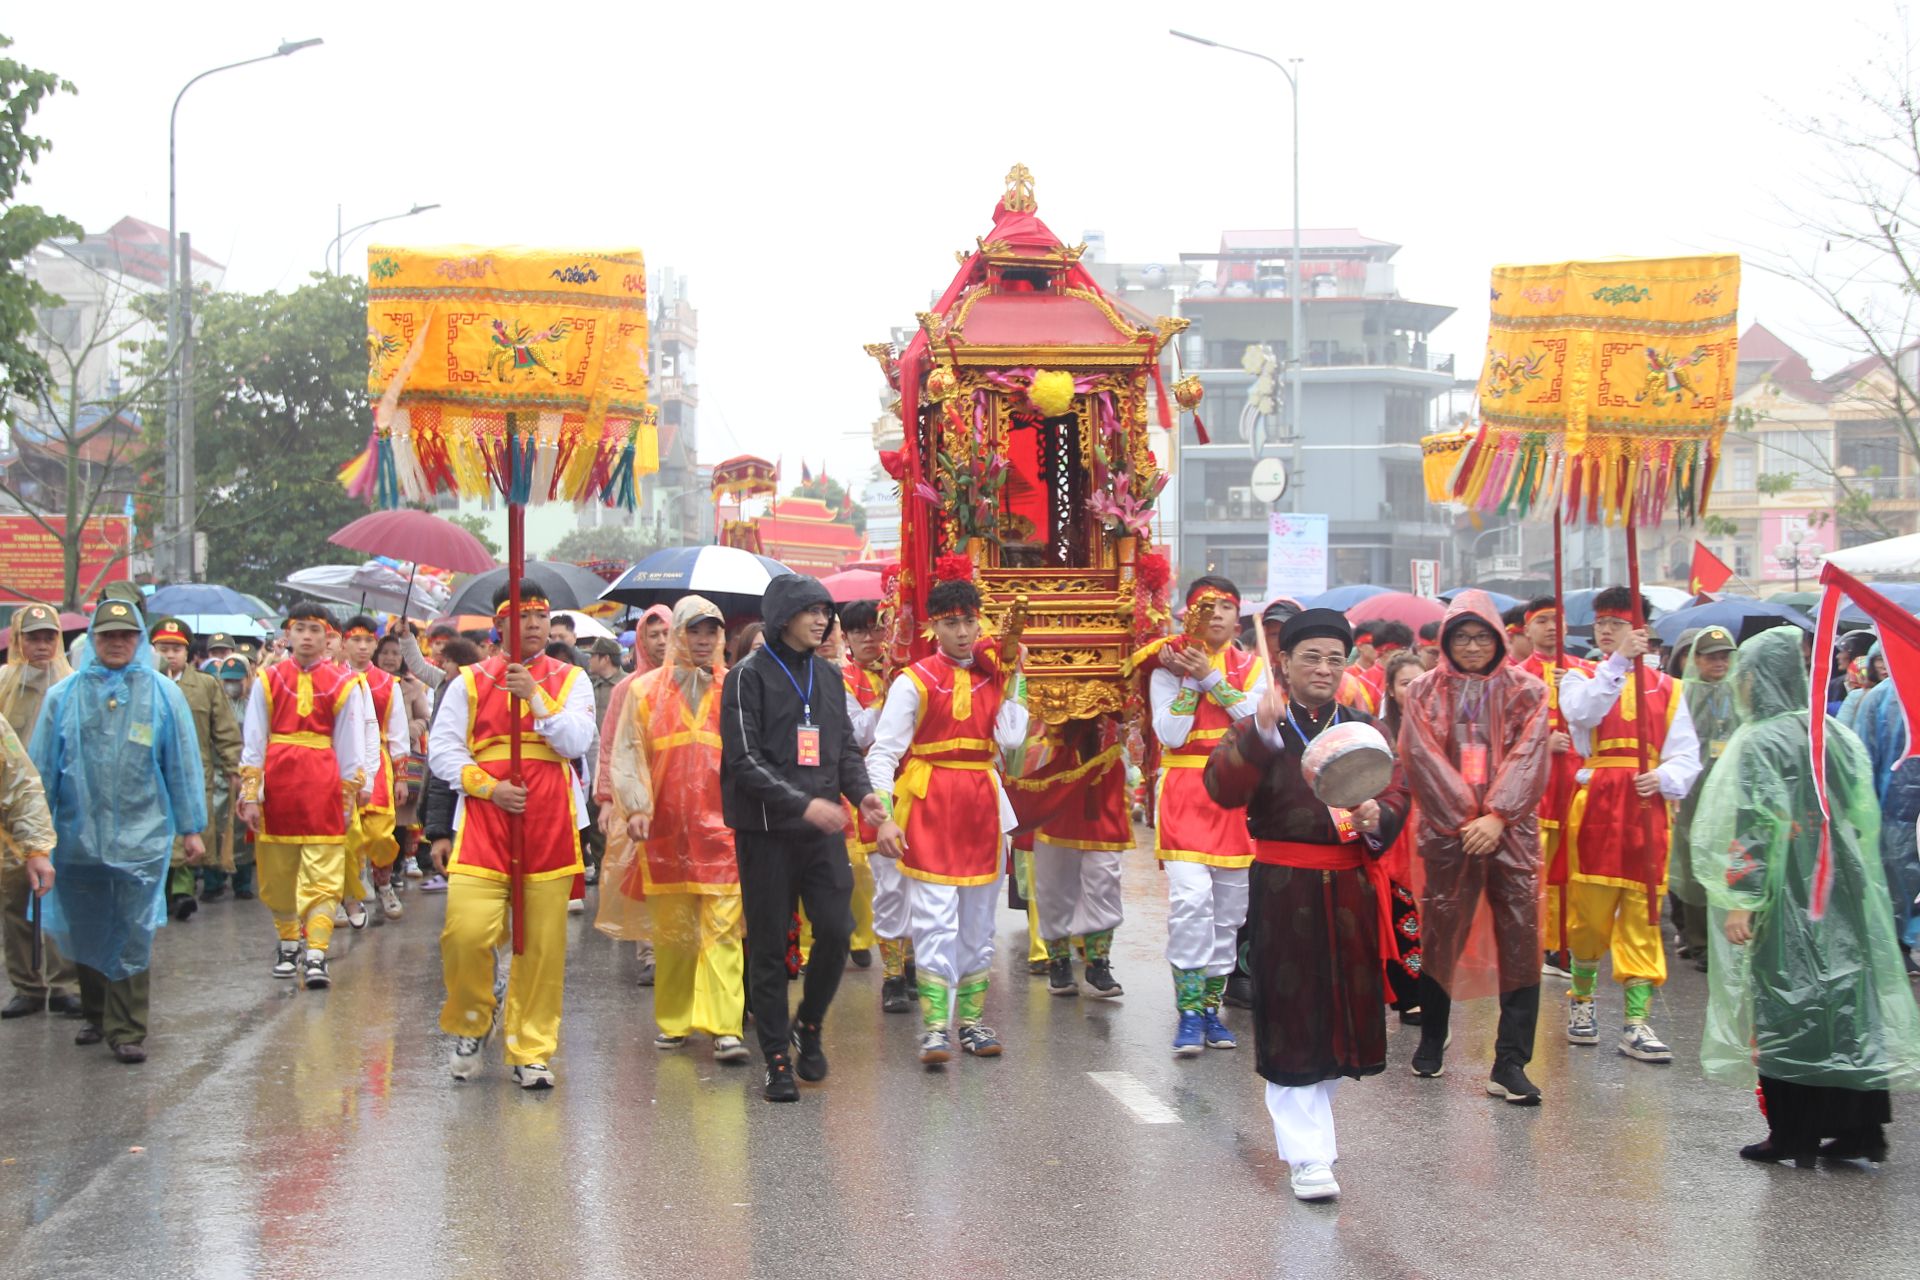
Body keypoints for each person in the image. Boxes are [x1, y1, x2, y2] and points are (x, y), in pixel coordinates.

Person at [1690, 626, 1920, 1165]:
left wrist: (1743, 898)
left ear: (1760, 679)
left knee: (1786, 1002)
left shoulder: (1761, 741)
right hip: (1842, 885)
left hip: (1788, 891)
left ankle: (1793, 1132)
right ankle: (1862, 1129)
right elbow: (1859, 809)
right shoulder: (1831, 732)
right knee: (1846, 1004)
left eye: (1746, 677)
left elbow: (1754, 824)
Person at [1203, 608, 1410, 1202]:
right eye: (1311, 657)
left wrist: (1378, 815)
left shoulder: (1363, 727)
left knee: (1341, 1017)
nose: (1323, 668)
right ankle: (1308, 1156)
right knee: (1292, 1015)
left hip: (1350, 889)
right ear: (1285, 663)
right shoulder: (1261, 725)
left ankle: (1316, 1137)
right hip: (1283, 887)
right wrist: (1259, 733)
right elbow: (1220, 787)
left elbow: (1398, 791)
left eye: (1335, 659)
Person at [430, 583, 595, 1089]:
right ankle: (474, 1019)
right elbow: (443, 750)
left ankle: (532, 1048)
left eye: (541, 615)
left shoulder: (571, 679)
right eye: (522, 615)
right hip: (486, 818)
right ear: (500, 623)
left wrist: (536, 699)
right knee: (465, 932)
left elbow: (577, 740)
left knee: (541, 946)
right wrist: (488, 787)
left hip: (550, 820)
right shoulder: (470, 681)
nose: (534, 624)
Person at [722, 575, 878, 1101]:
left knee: (836, 930)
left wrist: (863, 796)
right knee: (768, 947)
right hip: (765, 833)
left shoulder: (829, 676)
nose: (822, 621)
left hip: (821, 833)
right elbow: (743, 760)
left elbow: (845, 750)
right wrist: (802, 803)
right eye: (810, 610)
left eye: (825, 612)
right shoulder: (746, 677)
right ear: (783, 615)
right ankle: (776, 1058)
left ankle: (808, 1024)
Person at [31, 601, 207, 1063]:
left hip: (141, 838)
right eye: (107, 634)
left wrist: (190, 828)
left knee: (131, 930)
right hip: (76, 837)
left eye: (125, 634)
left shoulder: (162, 696)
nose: (116, 642)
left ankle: (127, 1028)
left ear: (138, 640)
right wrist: (35, 840)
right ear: (93, 639)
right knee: (86, 926)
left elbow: (181, 765)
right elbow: (42, 771)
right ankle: (96, 1013)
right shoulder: (63, 697)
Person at [870, 568, 1028, 1066]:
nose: (962, 632)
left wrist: (1014, 676)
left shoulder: (994, 675)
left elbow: (1013, 740)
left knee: (979, 923)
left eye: (969, 622)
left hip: (981, 805)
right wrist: (884, 817)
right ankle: (936, 1027)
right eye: (951, 623)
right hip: (930, 804)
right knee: (934, 919)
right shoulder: (914, 681)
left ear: (981, 623)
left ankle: (972, 1023)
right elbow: (882, 753)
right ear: (933, 627)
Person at [1399, 593, 1552, 1102]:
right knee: (1442, 935)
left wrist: (1498, 814)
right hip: (1448, 835)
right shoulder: (1423, 691)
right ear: (1446, 640)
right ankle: (1432, 1039)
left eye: (1481, 636)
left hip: (1513, 834)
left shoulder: (1528, 691)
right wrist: (1468, 819)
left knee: (1521, 942)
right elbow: (1420, 756)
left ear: (1498, 638)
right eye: (1461, 636)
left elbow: (1530, 755)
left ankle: (1510, 1061)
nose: (1471, 646)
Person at [1559, 587, 1701, 1064]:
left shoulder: (1670, 689)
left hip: (1646, 809)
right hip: (1597, 805)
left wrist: (1663, 777)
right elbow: (1583, 713)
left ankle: (1637, 1022)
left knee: (1643, 914)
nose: (1606, 630)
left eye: (1617, 623)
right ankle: (1582, 1001)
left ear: (1639, 629)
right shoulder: (1580, 678)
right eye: (1601, 623)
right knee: (1588, 916)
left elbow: (1687, 755)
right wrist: (1618, 661)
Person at [608, 596, 749, 1064]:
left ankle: (725, 1027)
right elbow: (628, 752)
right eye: (694, 630)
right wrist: (636, 807)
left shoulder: (735, 688)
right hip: (664, 831)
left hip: (723, 831)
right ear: (677, 635)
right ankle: (674, 1020)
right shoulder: (644, 691)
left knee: (723, 932)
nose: (703, 640)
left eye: (712, 631)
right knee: (673, 935)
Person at [1149, 576, 1267, 1051]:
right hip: (1184, 790)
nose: (1215, 614)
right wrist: (1190, 681)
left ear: (1237, 618)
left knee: (1229, 911)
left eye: (1225, 607)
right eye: (1205, 606)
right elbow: (1170, 734)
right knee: (1191, 900)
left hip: (1235, 794)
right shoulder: (1165, 669)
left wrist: (1212, 678)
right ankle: (1188, 1011)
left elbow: (1256, 723)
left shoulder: (1254, 668)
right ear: (1188, 615)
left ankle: (1211, 1009)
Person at [237, 603, 375, 990]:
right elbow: (254, 738)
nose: (308, 637)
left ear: (327, 636)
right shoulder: (268, 679)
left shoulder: (343, 683)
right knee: (277, 871)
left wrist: (349, 792)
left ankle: (316, 951)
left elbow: (349, 743)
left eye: (315, 630)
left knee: (324, 870)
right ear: (288, 634)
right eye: (300, 629)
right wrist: (251, 793)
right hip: (278, 785)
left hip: (322, 784)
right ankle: (287, 944)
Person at [1018, 712, 1133, 1001]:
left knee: (1104, 877)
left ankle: (1098, 963)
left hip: (1105, 776)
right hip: (1060, 772)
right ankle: (1058, 961)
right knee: (1054, 881)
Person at [0, 603, 79, 1017]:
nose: (43, 645)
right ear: (19, 641)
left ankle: (65, 983)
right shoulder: (3, 683)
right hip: (11, 812)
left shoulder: (71, 685)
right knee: (14, 899)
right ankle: (27, 985)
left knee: (58, 898)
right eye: (33, 637)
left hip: (60, 806)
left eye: (50, 637)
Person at [592, 604, 673, 982]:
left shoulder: (691, 682)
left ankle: (677, 946)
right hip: (636, 794)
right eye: (653, 635)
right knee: (641, 872)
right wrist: (607, 799)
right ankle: (650, 953)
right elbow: (610, 744)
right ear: (641, 640)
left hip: (677, 790)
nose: (661, 641)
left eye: (667, 633)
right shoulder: (627, 689)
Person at [147, 617, 240, 923]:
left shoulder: (205, 685)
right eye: (163, 648)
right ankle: (160, 894)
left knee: (189, 830)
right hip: (151, 774)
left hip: (194, 772)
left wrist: (234, 767)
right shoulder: (142, 684)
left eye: (176, 649)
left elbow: (224, 729)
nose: (169, 655)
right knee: (156, 835)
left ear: (188, 653)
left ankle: (182, 892)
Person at [1514, 596, 1588, 980]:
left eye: (1556, 619)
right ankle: (1536, 942)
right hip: (1536, 792)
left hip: (1577, 789)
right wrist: (1543, 740)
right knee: (1535, 870)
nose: (1550, 627)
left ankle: (1564, 944)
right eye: (1542, 620)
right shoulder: (1515, 677)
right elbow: (1502, 733)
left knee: (1572, 871)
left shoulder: (1586, 672)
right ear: (1527, 629)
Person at [1668, 626, 1737, 970]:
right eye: (1712, 657)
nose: (1719, 663)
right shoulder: (1681, 694)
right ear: (1696, 659)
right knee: (1692, 864)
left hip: (1729, 793)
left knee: (1729, 862)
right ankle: (1698, 942)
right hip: (1692, 794)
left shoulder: (1739, 691)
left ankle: (1728, 940)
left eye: (1725, 656)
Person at [337, 617, 410, 923]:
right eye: (356, 640)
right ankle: (346, 894)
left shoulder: (386, 683)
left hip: (377, 761)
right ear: (344, 643)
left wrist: (401, 776)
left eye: (369, 641)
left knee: (380, 833)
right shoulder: (333, 679)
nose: (363, 647)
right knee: (344, 833)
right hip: (340, 760)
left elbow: (398, 730)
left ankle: (383, 883)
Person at [1373, 652, 1428, 1022]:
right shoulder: (1380, 732)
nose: (1415, 689)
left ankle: (1432, 992)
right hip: (1397, 830)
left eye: (1421, 682)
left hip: (1433, 830)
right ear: (1391, 690)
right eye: (1406, 683)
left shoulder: (1442, 726)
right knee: (1402, 914)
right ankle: (1409, 995)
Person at [417, 637, 485, 894]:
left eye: (448, 661)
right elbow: (443, 766)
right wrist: (438, 833)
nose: (443, 666)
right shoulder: (445, 686)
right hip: (455, 781)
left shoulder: (483, 689)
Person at [198, 655, 257, 902]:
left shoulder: (254, 705)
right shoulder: (215, 704)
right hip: (218, 775)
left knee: (243, 829)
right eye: (227, 680)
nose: (232, 685)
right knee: (214, 827)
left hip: (245, 775)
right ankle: (213, 881)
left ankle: (242, 882)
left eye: (237, 680)